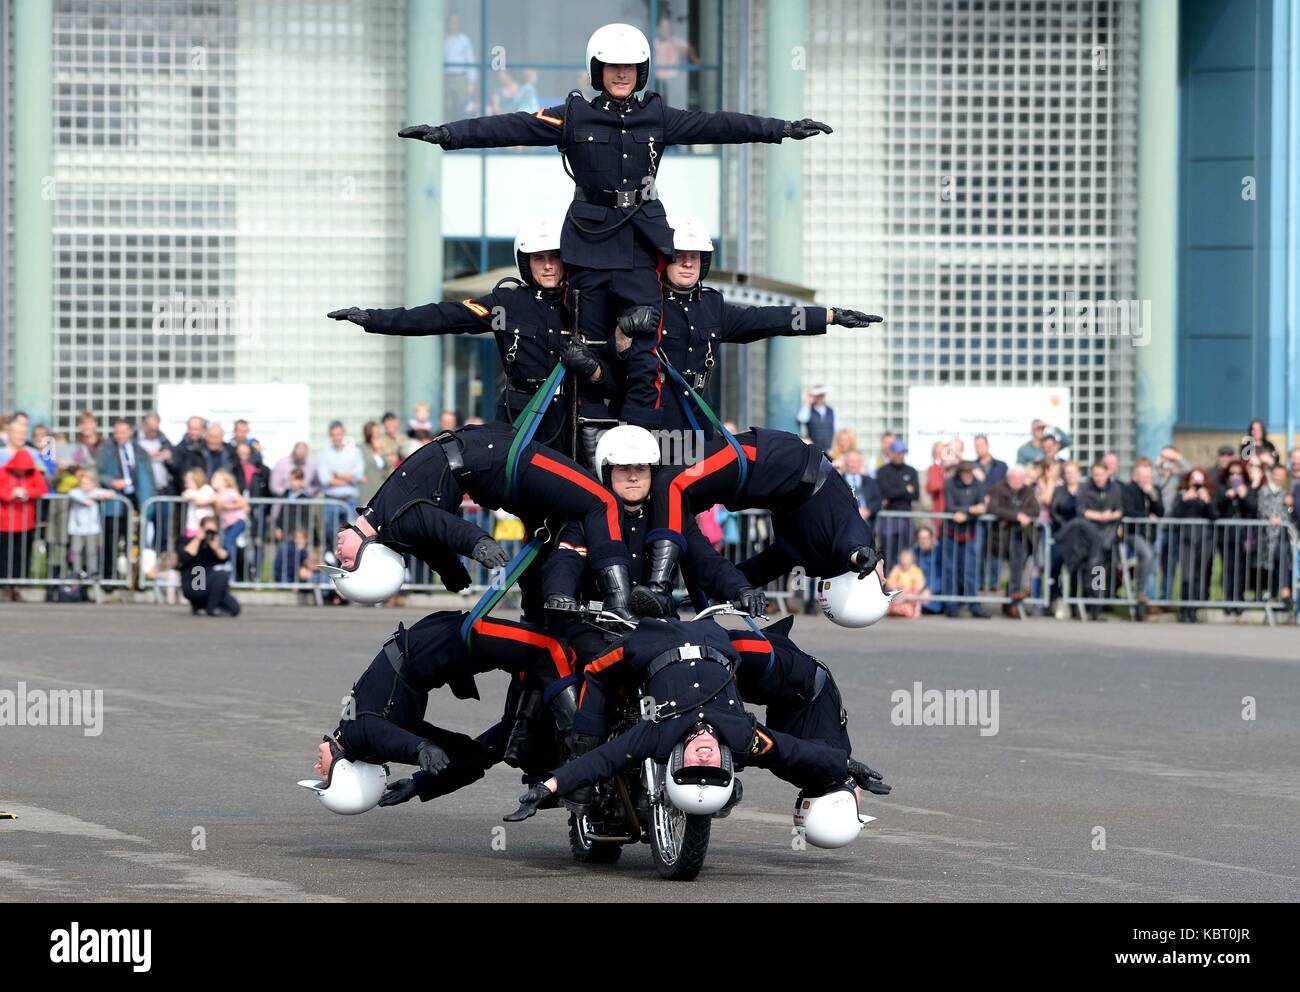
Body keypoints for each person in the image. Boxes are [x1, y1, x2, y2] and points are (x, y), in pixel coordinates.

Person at [400, 22, 832, 410]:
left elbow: (719, 124)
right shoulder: (573, 115)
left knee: (643, 347)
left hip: (641, 246)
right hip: (588, 245)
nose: (621, 73)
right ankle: (591, 439)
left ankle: (639, 446)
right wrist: (448, 135)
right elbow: (511, 125)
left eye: (630, 66)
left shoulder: (658, 116)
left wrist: (781, 128)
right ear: (597, 71)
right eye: (611, 67)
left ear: (642, 72)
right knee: (587, 347)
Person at [504, 616, 875, 821]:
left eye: (693, 767)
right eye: (713, 767)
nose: (703, 758)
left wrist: (546, 788)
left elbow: (605, 758)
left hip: (650, 642)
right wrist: (849, 766)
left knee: (594, 670)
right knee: (769, 652)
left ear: (677, 764)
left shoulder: (660, 735)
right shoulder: (743, 737)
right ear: (726, 765)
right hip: (713, 633)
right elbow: (793, 751)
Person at [329, 215, 620, 461]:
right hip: (520, 423)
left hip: (572, 425)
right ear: (526, 263)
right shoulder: (505, 303)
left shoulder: (586, 308)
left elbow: (616, 380)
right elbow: (443, 316)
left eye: (555, 257)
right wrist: (374, 319)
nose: (548, 266)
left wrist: (591, 369)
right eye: (539, 258)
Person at [542, 425, 765, 715]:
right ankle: (586, 742)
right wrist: (560, 593)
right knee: (591, 661)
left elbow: (707, 561)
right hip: (600, 623)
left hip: (659, 624)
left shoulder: (671, 517)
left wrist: (741, 588)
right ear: (606, 471)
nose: (633, 476)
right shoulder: (587, 519)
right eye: (623, 468)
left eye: (641, 468)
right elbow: (566, 559)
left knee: (702, 663)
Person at [333, 420, 633, 618]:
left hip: (488, 460)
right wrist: (478, 545)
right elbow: (437, 526)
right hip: (498, 460)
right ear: (372, 560)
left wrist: (453, 571)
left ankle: (551, 602)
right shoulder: (394, 525)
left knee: (564, 522)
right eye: (345, 563)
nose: (337, 554)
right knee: (602, 502)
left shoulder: (382, 519)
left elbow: (429, 536)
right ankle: (618, 602)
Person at [311, 609, 585, 815]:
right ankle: (584, 749)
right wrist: (420, 771)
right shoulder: (358, 736)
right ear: (345, 769)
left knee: (546, 652)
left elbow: (384, 734)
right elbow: (473, 756)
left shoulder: (362, 733)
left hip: (442, 650)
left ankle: (580, 754)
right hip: (445, 644)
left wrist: (419, 761)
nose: (316, 766)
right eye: (324, 775)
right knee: (549, 649)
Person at [619, 215, 879, 432]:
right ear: (665, 260)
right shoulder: (646, 302)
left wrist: (829, 316)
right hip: (652, 418)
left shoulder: (712, 306)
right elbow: (615, 361)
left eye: (694, 257)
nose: (688, 263)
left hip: (697, 421)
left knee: (698, 489)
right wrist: (623, 332)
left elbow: (767, 320)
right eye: (679, 256)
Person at [637, 426, 882, 616]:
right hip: (765, 464)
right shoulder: (833, 555)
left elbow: (763, 568)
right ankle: (658, 587)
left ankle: (653, 588)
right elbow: (852, 546)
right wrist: (860, 555)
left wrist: (719, 590)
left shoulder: (832, 555)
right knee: (670, 490)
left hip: (761, 469)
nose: (884, 577)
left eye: (882, 584)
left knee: (671, 495)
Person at [95, 418, 155, 583]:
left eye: (123, 432)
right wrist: (111, 482)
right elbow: (97, 473)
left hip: (136, 499)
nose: (119, 435)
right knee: (112, 540)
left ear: (130, 432)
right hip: (114, 501)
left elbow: (148, 477)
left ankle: (136, 579)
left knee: (136, 541)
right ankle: (110, 578)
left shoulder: (140, 451)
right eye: (117, 432)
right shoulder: (106, 449)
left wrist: (149, 498)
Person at [987, 464, 1039, 617]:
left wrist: (1018, 515)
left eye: (1020, 478)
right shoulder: (999, 488)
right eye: (1014, 478)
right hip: (1002, 536)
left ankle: (1012, 600)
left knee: (1019, 568)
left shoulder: (1028, 491)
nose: (1017, 481)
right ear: (1008, 478)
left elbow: (1035, 509)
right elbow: (994, 509)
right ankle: (1014, 597)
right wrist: (1017, 516)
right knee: (1016, 567)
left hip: (1023, 537)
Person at [941, 461, 989, 618]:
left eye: (971, 473)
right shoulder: (949, 484)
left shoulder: (978, 485)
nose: (969, 476)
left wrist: (966, 512)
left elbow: (982, 507)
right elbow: (950, 507)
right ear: (960, 474)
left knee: (971, 570)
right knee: (950, 570)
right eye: (966, 473)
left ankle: (974, 604)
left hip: (971, 533)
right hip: (951, 533)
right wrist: (971, 510)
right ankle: (951, 605)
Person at [0, 448, 48, 599]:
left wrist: (27, 492)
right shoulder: (3, 472)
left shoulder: (34, 473)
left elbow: (42, 488)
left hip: (26, 521)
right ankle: (5, 585)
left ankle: (19, 584)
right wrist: (11, 494)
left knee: (22, 555)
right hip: (5, 521)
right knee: (5, 555)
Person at [1078, 460, 1123, 620]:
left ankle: (1098, 605)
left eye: (1101, 474)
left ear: (1107, 474)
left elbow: (1119, 510)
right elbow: (1081, 510)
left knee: (1102, 570)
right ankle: (1090, 604)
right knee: (1091, 568)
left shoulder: (1115, 489)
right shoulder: (1085, 489)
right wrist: (1100, 516)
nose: (1098, 478)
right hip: (1089, 535)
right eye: (1095, 474)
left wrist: (1109, 516)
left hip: (1107, 536)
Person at [1171, 468, 1215, 622]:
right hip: (1187, 538)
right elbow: (1174, 515)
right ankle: (1184, 609)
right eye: (1193, 481)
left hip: (1205, 539)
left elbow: (1215, 515)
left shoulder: (1208, 494)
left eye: (1199, 481)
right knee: (1187, 576)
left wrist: (1207, 500)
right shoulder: (1182, 495)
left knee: (1199, 576)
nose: (1196, 485)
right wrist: (1185, 500)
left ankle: (1194, 609)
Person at [1121, 458, 1164, 618]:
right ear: (1136, 476)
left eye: (1149, 476)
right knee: (1146, 554)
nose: (1147, 480)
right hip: (1133, 534)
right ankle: (1140, 591)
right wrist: (1147, 516)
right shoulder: (1128, 489)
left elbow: (1160, 511)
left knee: (1152, 566)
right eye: (1143, 476)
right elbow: (1129, 511)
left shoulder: (1154, 489)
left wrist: (1152, 495)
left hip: (1150, 535)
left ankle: (1146, 600)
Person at [1212, 458, 1254, 614]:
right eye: (1232, 473)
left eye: (1239, 473)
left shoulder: (1247, 489)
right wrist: (1227, 496)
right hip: (1226, 537)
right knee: (1228, 569)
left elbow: (1253, 508)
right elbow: (1214, 510)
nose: (1235, 476)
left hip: (1243, 537)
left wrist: (1243, 495)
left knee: (1242, 569)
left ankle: (1239, 599)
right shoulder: (1222, 489)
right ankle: (1228, 600)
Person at [178, 514, 241, 616]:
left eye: (213, 531)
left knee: (234, 608)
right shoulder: (186, 540)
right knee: (222, 575)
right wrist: (198, 539)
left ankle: (202, 606)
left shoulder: (212, 546)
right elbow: (184, 556)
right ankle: (211, 608)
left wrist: (215, 547)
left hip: (208, 585)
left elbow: (225, 557)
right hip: (193, 582)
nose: (210, 534)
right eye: (208, 531)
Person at [317, 421, 366, 540]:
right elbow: (325, 480)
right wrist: (349, 479)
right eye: (334, 434)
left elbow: (359, 475)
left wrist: (337, 474)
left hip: (350, 499)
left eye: (339, 434)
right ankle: (332, 557)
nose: (337, 437)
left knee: (353, 533)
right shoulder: (325, 454)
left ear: (344, 433)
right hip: (331, 499)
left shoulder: (354, 452)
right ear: (330, 436)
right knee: (330, 533)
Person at [876, 439, 919, 571]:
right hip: (888, 520)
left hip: (906, 520)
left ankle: (904, 587)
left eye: (903, 452)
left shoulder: (911, 471)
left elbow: (915, 495)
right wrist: (905, 489)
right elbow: (883, 493)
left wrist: (895, 491)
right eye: (897, 452)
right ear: (891, 453)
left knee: (906, 555)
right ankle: (888, 586)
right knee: (888, 554)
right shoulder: (882, 471)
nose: (900, 455)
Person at [67, 467, 113, 586]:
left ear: (93, 484)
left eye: (89, 483)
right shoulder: (77, 492)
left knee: (91, 551)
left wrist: (100, 496)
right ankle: (77, 571)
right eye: (84, 483)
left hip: (92, 529)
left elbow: (110, 493)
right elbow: (72, 494)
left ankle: (93, 571)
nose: (86, 486)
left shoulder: (95, 492)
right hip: (77, 529)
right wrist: (85, 500)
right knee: (76, 550)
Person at [1257, 464, 1294, 609]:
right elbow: (1261, 508)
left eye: (1282, 475)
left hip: (1281, 535)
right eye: (1277, 474)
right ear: (1272, 475)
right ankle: (1271, 594)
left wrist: (1282, 518)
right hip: (1266, 535)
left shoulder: (1285, 493)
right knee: (1269, 566)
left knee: (1282, 562)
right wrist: (1270, 517)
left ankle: (1283, 594)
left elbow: (1289, 512)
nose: (1279, 477)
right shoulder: (1264, 491)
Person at [885, 548, 928, 619]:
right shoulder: (897, 569)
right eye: (903, 560)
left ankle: (910, 610)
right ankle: (898, 609)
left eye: (907, 560)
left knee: (914, 592)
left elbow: (920, 584)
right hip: (899, 594)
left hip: (910, 597)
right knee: (894, 594)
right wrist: (895, 585)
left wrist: (910, 589)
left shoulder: (916, 570)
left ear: (912, 561)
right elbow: (890, 581)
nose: (905, 562)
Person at [796, 385, 838, 453]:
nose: (819, 398)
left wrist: (835, 447)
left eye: (821, 395)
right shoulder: (809, 409)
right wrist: (807, 403)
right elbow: (802, 419)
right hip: (814, 448)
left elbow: (837, 430)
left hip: (830, 449)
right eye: (817, 396)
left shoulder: (831, 411)